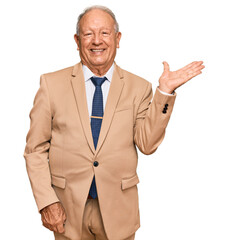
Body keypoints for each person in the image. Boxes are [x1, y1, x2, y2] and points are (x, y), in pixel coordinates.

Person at [23, 5, 205, 240]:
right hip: (67, 212)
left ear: (117, 39)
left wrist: (165, 92)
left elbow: (147, 145)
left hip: (119, 213)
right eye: (88, 34)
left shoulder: (139, 88)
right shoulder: (51, 84)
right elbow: (34, 149)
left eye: (104, 33)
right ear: (77, 41)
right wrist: (46, 202)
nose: (96, 41)